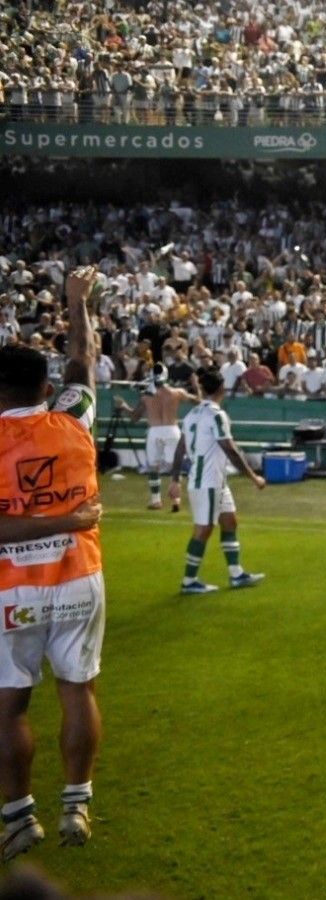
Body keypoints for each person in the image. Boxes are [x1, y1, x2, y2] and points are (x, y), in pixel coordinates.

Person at [0, 267, 105, 860]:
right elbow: (82, 362)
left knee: (9, 705)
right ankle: (76, 804)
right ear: (45, 387)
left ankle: (19, 819)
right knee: (77, 689)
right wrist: (76, 302)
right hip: (77, 575)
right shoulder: (72, 419)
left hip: (9, 588)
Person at [170, 368, 267, 594]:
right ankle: (189, 581)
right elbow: (230, 449)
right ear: (222, 389)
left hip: (215, 481)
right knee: (204, 529)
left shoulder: (192, 414)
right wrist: (253, 477)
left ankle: (236, 574)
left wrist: (175, 479)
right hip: (208, 481)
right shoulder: (216, 415)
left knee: (230, 522)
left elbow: (180, 448)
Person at [114, 363, 195, 510]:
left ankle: (156, 500)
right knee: (175, 466)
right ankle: (176, 500)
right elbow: (197, 400)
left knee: (153, 466)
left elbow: (135, 417)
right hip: (172, 430)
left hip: (155, 430)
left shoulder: (147, 396)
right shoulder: (177, 392)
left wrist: (124, 406)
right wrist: (198, 388)